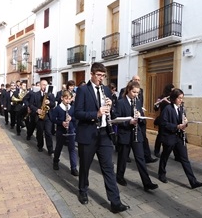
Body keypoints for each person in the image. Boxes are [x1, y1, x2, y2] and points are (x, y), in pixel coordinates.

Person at [74, 62, 130, 213]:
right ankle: (83, 191)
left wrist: (111, 107)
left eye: (103, 76)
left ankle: (115, 202)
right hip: (88, 134)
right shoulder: (82, 90)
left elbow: (113, 113)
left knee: (108, 168)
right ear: (91, 74)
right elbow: (77, 113)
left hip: (104, 134)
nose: (101, 78)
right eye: (98, 75)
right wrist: (96, 114)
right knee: (85, 166)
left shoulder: (106, 89)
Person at [115, 81, 159, 191]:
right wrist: (128, 122)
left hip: (136, 134)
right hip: (125, 134)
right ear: (128, 90)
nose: (136, 94)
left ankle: (147, 183)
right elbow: (116, 119)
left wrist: (140, 117)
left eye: (137, 93)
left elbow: (142, 119)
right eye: (134, 92)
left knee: (140, 159)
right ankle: (119, 177)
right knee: (123, 158)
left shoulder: (138, 102)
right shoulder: (121, 102)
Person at [158, 88, 202, 189]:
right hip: (169, 137)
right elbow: (163, 123)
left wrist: (185, 123)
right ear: (174, 98)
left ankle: (193, 181)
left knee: (185, 159)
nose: (181, 100)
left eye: (182, 98)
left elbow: (182, 123)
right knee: (165, 156)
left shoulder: (182, 108)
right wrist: (176, 126)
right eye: (179, 98)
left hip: (179, 137)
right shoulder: (168, 109)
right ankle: (161, 173)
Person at [118, 75, 157, 163]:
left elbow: (140, 104)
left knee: (142, 143)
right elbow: (121, 107)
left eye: (139, 80)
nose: (136, 95)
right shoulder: (123, 92)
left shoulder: (140, 93)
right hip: (127, 126)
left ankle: (147, 158)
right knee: (123, 154)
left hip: (138, 124)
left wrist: (139, 113)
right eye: (136, 79)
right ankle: (125, 158)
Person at [52, 90, 78, 176]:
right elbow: (53, 119)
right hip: (61, 131)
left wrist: (71, 119)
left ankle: (73, 167)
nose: (68, 101)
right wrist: (61, 122)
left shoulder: (72, 108)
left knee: (72, 149)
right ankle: (55, 161)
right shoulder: (58, 108)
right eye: (66, 99)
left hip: (70, 131)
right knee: (59, 147)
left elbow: (76, 119)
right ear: (62, 98)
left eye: (69, 99)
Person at [30, 79, 55, 155]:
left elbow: (53, 104)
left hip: (48, 116)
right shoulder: (35, 94)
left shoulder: (50, 94)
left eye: (46, 85)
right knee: (40, 132)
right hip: (39, 116)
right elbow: (31, 105)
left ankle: (50, 149)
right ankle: (40, 146)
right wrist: (37, 110)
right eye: (43, 84)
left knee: (48, 133)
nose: (45, 86)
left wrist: (49, 102)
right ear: (40, 85)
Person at [153, 83, 175, 158]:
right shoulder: (162, 97)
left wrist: (168, 102)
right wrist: (157, 104)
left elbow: (174, 107)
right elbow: (156, 109)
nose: (172, 92)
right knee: (160, 135)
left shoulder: (173, 98)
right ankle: (156, 151)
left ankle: (175, 154)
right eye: (171, 91)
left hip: (171, 120)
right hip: (163, 119)